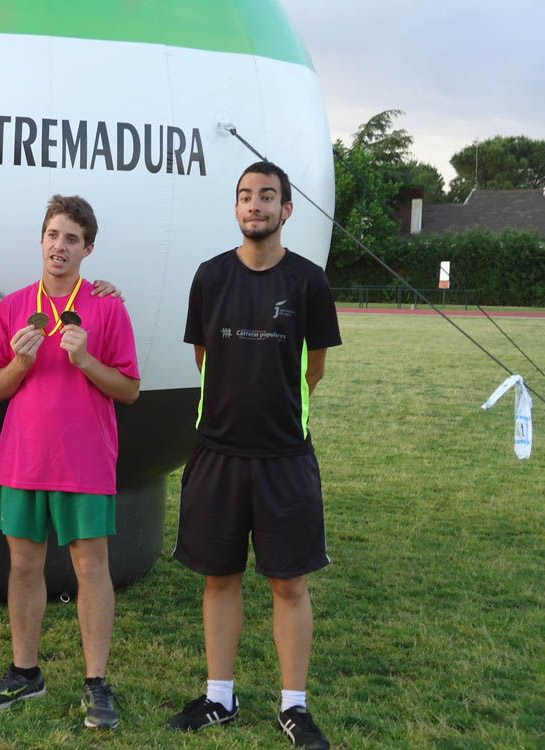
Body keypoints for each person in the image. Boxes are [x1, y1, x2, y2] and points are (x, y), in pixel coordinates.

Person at [165, 162, 341, 750]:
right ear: (236, 208)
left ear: (286, 210)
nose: (255, 205)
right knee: (220, 578)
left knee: (288, 583)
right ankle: (220, 696)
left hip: (284, 456)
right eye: (245, 196)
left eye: (267, 196)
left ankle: (294, 707)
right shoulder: (210, 277)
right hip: (217, 453)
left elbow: (313, 369)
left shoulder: (309, 282)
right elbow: (203, 359)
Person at [0, 195, 140, 730]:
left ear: (88, 247)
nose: (58, 246)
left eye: (71, 238)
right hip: (22, 459)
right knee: (23, 565)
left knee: (92, 568)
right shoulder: (15, 306)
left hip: (85, 460)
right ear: (40, 241)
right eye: (51, 235)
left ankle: (96, 682)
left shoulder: (108, 306)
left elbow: (131, 390)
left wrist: (86, 359)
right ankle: (25, 672)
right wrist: (21, 361)